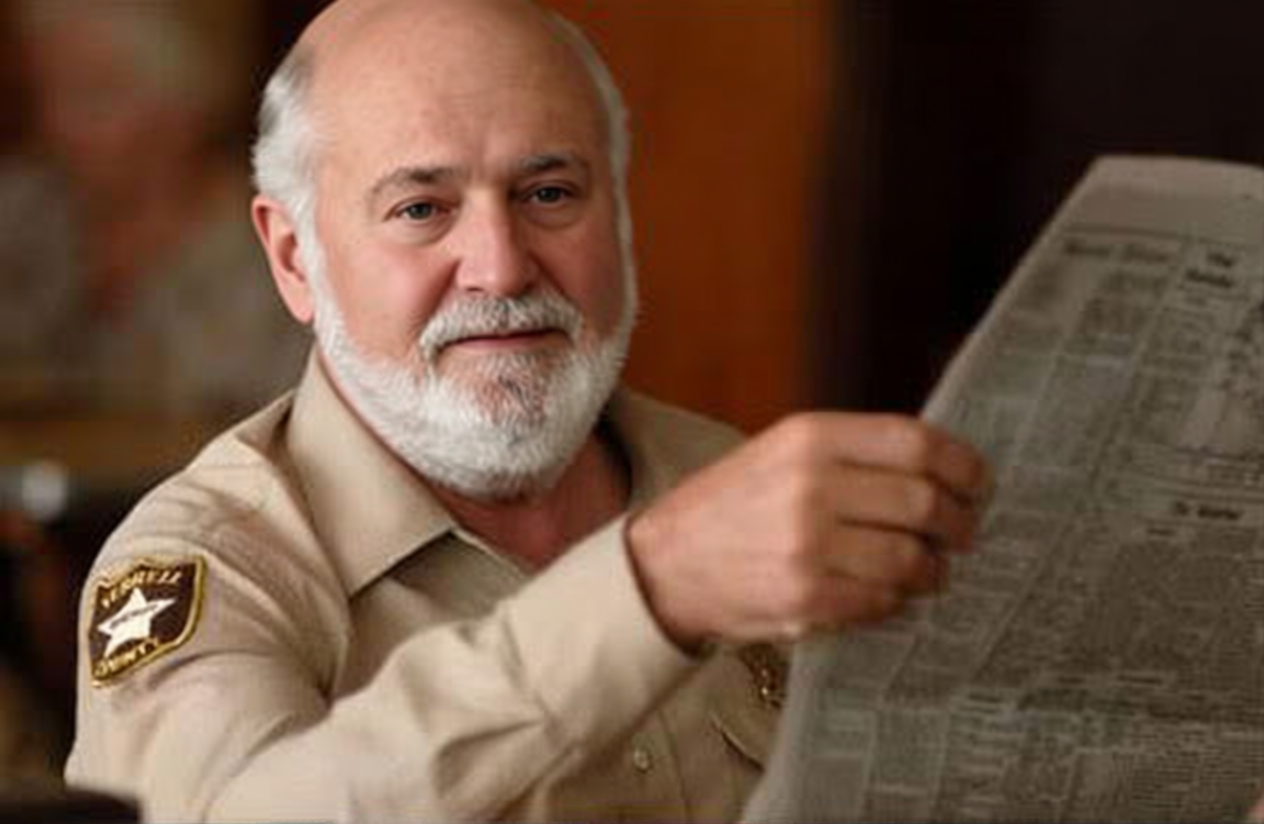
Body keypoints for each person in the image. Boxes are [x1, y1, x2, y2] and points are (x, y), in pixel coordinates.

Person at [64, 0, 991, 820]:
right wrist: (649, 590)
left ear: (619, 219)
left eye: (549, 194)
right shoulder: (215, 564)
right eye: (422, 209)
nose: (502, 268)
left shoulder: (733, 480)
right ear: (294, 258)